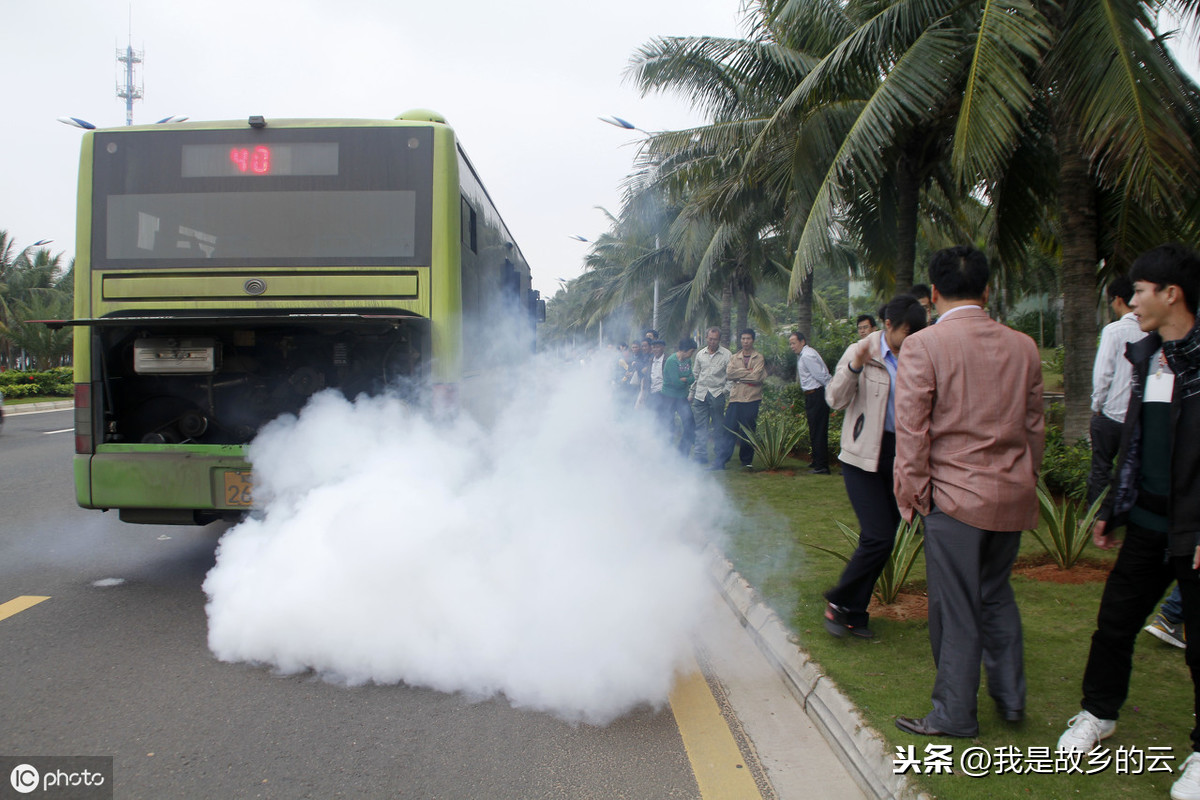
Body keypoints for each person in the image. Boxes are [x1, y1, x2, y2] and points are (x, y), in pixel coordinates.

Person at [1054, 244, 1200, 800]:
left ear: (1171, 294)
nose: (1130, 300)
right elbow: (1137, 445)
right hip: (1146, 522)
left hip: (1193, 531)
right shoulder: (1147, 356)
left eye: (1139, 290)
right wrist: (1116, 507)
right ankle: (1098, 714)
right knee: (1114, 624)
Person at [892, 245, 1044, 738]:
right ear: (987, 290)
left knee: (955, 607)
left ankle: (955, 713)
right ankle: (1011, 697)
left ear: (933, 294)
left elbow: (912, 430)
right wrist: (1027, 478)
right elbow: (1034, 427)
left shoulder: (924, 346)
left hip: (954, 498)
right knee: (995, 595)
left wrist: (910, 492)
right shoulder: (1024, 346)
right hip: (1011, 493)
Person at [823, 295, 928, 638]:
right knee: (877, 535)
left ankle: (853, 611)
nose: (910, 339)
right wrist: (854, 366)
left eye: (916, 332)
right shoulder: (861, 352)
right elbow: (834, 400)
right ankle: (840, 601)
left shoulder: (919, 355)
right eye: (905, 333)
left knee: (886, 539)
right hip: (862, 457)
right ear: (888, 326)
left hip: (900, 456)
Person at [1088, 276, 1148, 506]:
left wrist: (1097, 407)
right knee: (1134, 468)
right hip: (1139, 416)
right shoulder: (1150, 332)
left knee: (1101, 469)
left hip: (1111, 414)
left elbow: (1103, 375)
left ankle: (1098, 516)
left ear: (1119, 300)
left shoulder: (1114, 331)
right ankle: (1129, 512)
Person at [713, 329, 767, 470]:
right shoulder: (735, 357)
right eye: (743, 338)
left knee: (748, 431)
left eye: (748, 338)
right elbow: (729, 374)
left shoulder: (758, 357)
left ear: (753, 340)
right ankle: (722, 460)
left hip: (751, 399)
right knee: (729, 429)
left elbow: (756, 378)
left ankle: (746, 462)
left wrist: (740, 376)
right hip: (735, 399)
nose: (745, 341)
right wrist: (748, 373)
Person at [788, 331, 832, 474]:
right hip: (812, 396)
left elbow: (821, 375)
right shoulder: (804, 355)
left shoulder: (807, 355)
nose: (792, 346)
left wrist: (832, 390)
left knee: (818, 430)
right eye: (790, 344)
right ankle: (817, 461)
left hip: (817, 395)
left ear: (802, 342)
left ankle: (822, 466)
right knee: (814, 429)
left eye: (794, 343)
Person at [691, 327, 732, 464]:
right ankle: (700, 456)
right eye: (710, 338)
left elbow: (731, 377)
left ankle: (719, 456)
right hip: (700, 394)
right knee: (700, 427)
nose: (712, 341)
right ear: (706, 338)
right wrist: (693, 392)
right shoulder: (700, 354)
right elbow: (696, 374)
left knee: (718, 426)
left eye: (715, 339)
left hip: (716, 394)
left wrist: (724, 391)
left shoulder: (726, 355)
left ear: (719, 339)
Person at [661, 337, 697, 455]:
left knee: (690, 424)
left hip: (682, 397)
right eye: (692, 352)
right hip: (669, 397)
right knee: (668, 425)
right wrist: (685, 379)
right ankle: (667, 452)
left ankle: (683, 452)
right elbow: (676, 383)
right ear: (685, 350)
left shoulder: (687, 361)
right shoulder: (671, 361)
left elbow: (692, 378)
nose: (692, 355)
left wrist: (684, 379)